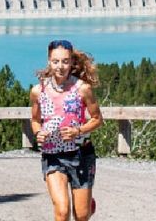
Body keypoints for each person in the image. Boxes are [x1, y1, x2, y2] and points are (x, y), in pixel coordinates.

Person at [30, 39, 103, 221]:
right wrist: (38, 133)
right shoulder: (38, 91)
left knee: (81, 216)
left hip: (80, 154)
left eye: (65, 61)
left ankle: (87, 206)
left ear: (71, 62)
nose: (60, 67)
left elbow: (97, 119)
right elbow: (35, 120)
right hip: (53, 155)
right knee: (62, 212)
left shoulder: (82, 89)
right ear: (49, 61)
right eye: (55, 61)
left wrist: (78, 131)